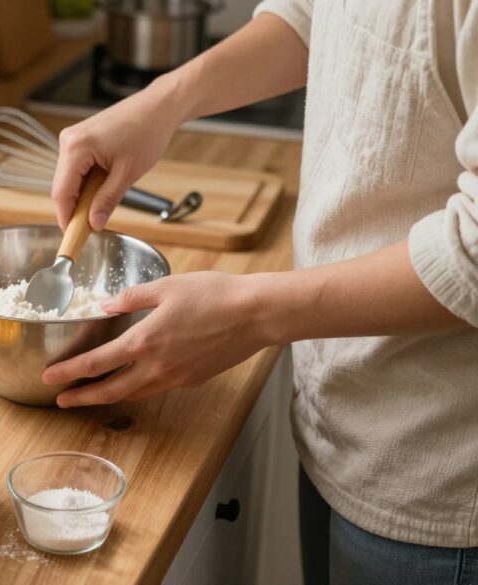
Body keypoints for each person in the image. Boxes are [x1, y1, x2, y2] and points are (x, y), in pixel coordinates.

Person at [42, 1, 478, 583]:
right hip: (346, 422)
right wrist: (164, 101)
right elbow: (320, 16)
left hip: (445, 476)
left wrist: (249, 314)